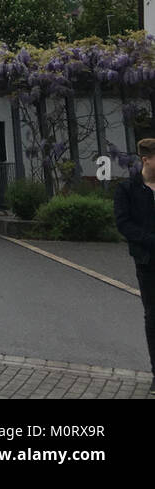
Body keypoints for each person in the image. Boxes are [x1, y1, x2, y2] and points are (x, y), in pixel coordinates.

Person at [114, 137, 155, 394]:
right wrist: (149, 241)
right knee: (153, 317)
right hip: (148, 262)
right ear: (146, 159)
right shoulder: (128, 189)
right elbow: (124, 224)